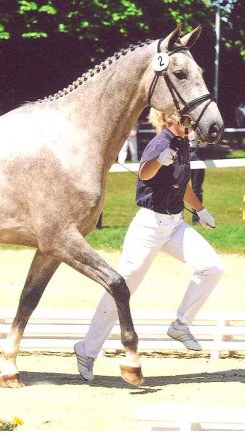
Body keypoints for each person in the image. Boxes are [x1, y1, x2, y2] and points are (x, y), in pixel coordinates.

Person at [73, 108, 224, 381]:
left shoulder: (182, 143)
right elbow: (144, 173)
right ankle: (86, 349)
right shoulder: (160, 144)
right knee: (123, 287)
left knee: (212, 267)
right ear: (169, 120)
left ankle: (181, 324)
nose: (190, 125)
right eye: (186, 120)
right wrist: (159, 161)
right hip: (149, 226)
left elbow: (184, 183)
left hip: (175, 224)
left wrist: (201, 210)